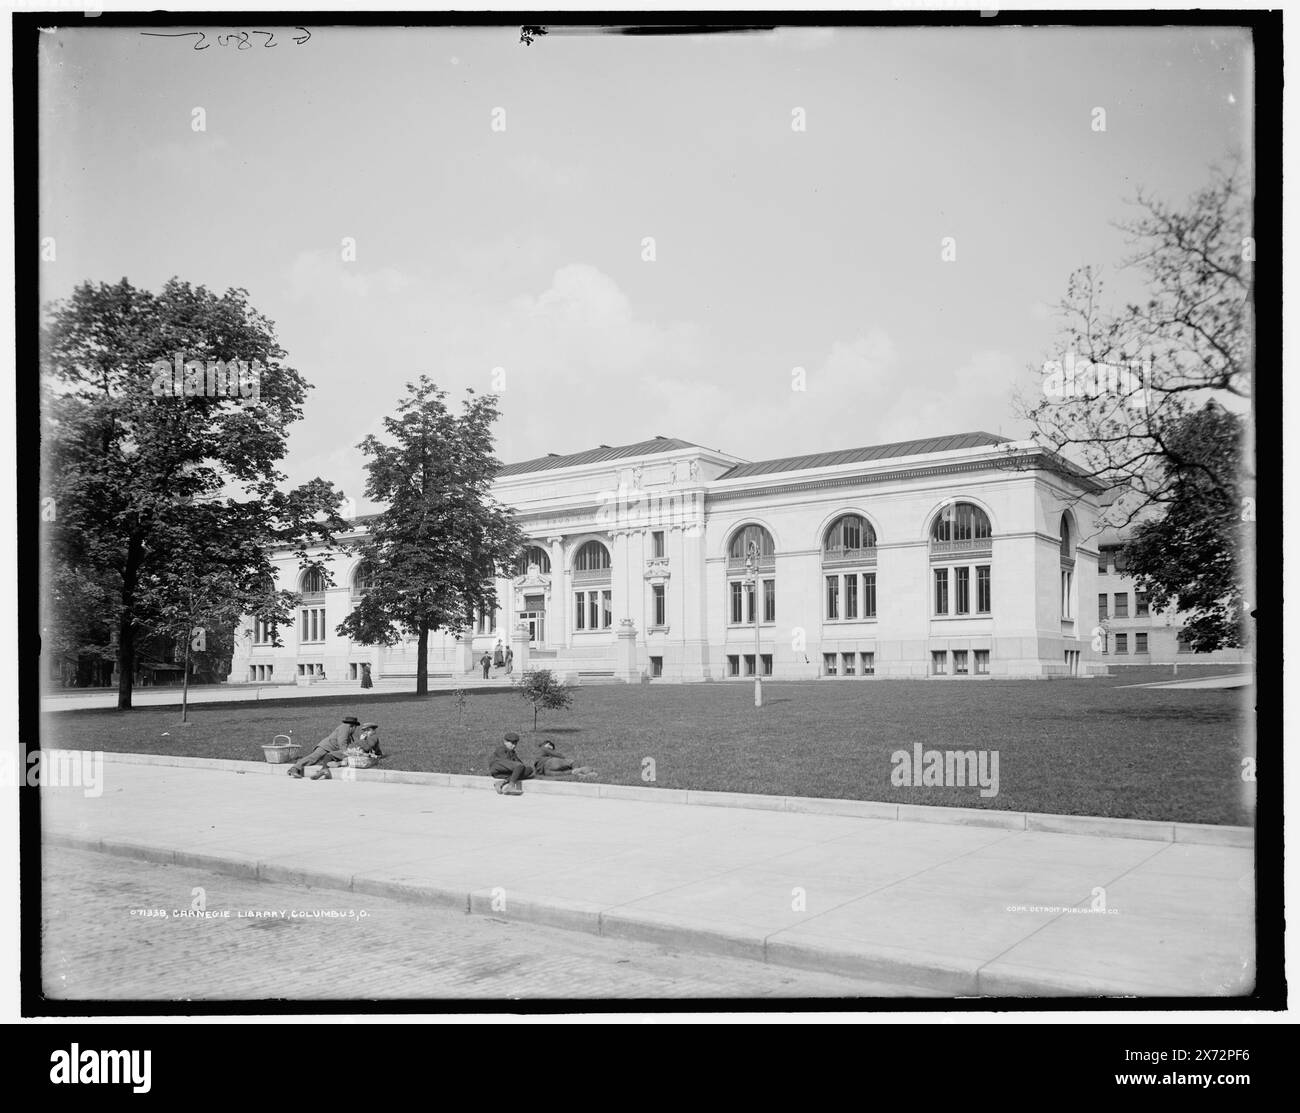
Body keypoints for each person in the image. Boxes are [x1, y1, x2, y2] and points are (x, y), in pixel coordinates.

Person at [287, 715, 360, 778]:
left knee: (313, 760)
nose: (355, 730)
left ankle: (298, 765)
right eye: (355, 728)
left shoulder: (346, 729)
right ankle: (294, 768)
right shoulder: (345, 728)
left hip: (329, 748)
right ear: (352, 726)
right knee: (313, 758)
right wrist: (347, 753)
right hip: (326, 747)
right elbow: (342, 743)